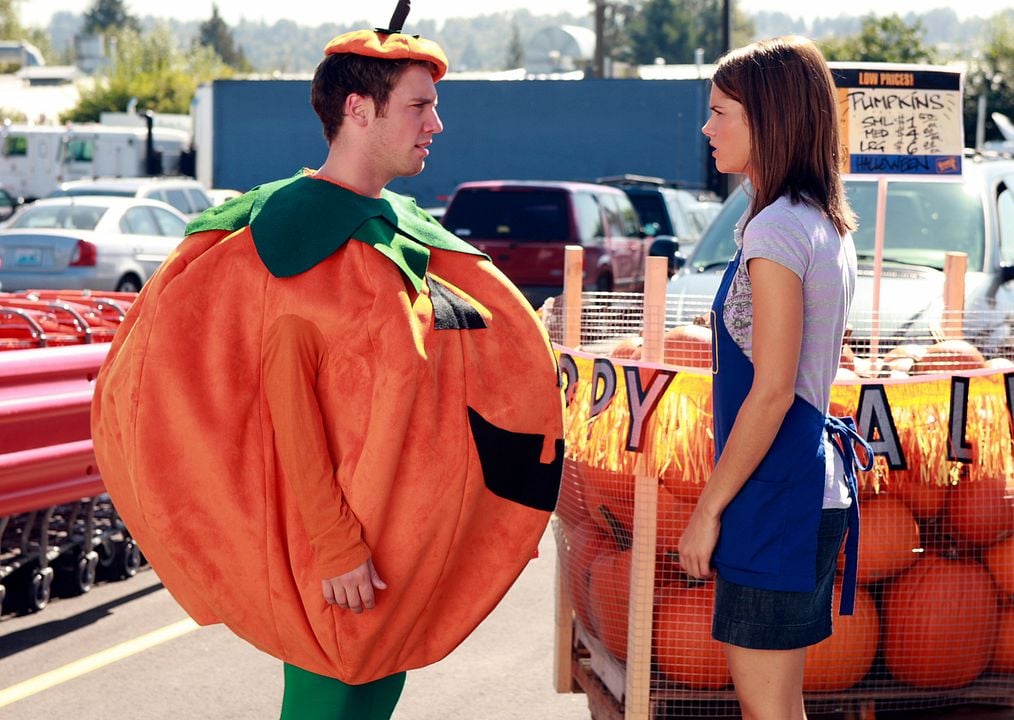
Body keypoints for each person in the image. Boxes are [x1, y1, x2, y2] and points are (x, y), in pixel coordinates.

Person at [90, 6, 564, 719]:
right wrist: (337, 548)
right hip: (342, 557)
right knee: (332, 699)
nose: (435, 125)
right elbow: (288, 415)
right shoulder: (293, 241)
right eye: (419, 107)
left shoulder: (404, 234)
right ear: (358, 109)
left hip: (391, 540)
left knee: (371, 692)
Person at [677, 36, 872, 720]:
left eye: (721, 110)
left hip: (776, 497)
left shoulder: (777, 231)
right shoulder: (817, 222)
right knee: (781, 708)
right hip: (804, 489)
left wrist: (707, 513)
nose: (707, 127)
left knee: (768, 710)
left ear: (770, 118)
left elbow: (773, 390)